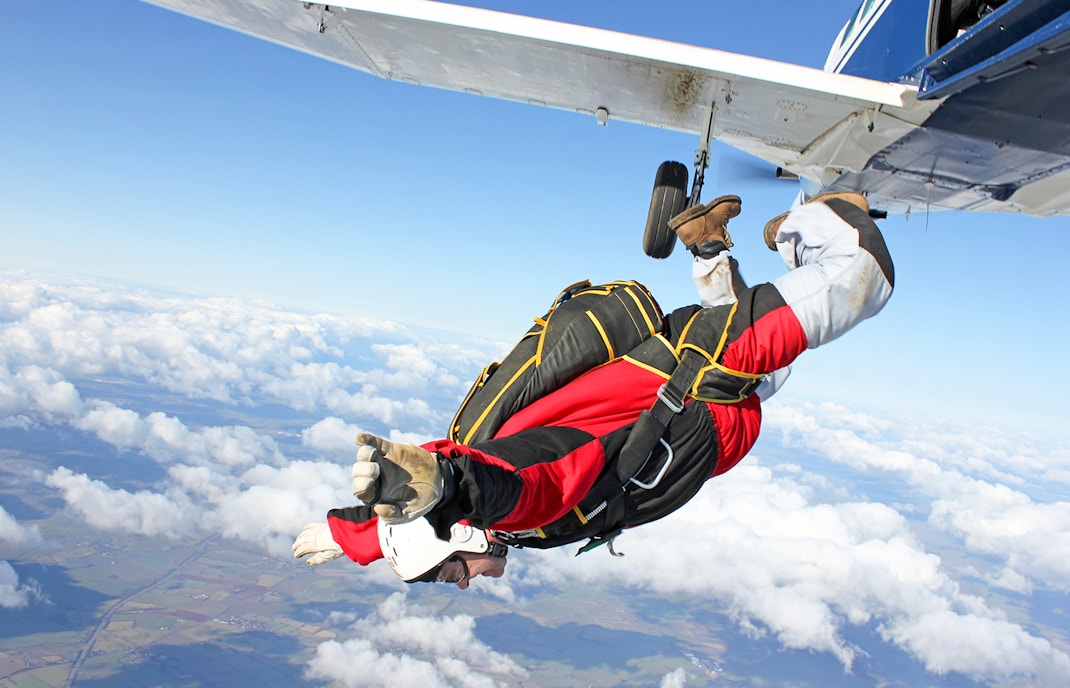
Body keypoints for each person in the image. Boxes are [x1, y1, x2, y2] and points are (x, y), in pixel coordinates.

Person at [292, 191, 894, 587]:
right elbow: (415, 517)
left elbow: (521, 480)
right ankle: (707, 243)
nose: (469, 581)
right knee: (774, 375)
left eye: (455, 574)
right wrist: (348, 537)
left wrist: (452, 485)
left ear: (461, 526)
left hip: (699, 377)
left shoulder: (515, 501)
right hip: (709, 402)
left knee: (863, 276)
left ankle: (807, 218)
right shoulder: (493, 518)